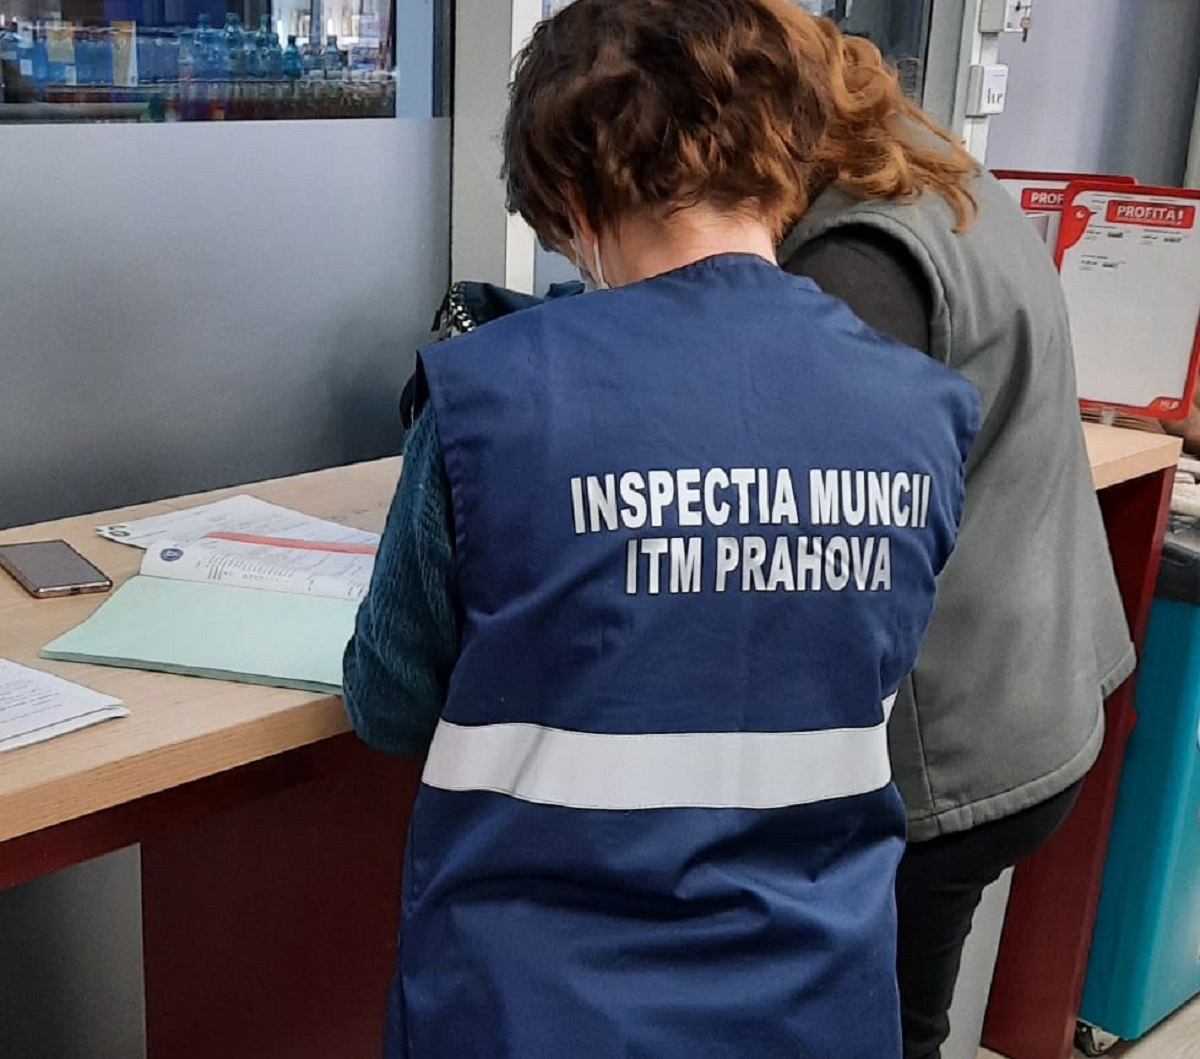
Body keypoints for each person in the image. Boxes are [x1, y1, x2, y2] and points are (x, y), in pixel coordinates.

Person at [342, 1, 979, 1056]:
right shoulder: (923, 411)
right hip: (811, 1001)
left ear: (574, 196)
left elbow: (390, 701)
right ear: (785, 166)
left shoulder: (489, 397)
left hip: (539, 1010)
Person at [765, 7, 1135, 1058]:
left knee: (874, 1032)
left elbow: (823, 556)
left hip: (947, 743)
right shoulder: (926, 170)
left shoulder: (853, 258)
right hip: (1037, 691)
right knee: (900, 1022)